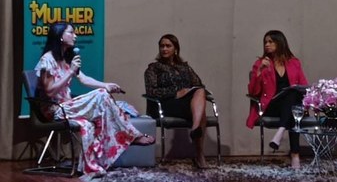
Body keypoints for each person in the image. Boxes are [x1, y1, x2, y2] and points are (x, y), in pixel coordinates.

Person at [34, 22, 154, 181]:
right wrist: (70, 72)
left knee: (91, 121)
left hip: (69, 106)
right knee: (102, 96)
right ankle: (130, 135)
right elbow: (49, 91)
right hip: (56, 109)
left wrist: (106, 84)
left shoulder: (67, 57)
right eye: (71, 32)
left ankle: (91, 167)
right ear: (60, 36)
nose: (75, 36)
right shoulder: (47, 59)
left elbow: (83, 78)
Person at [144, 34, 208, 169]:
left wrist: (187, 92)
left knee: (200, 92)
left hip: (184, 105)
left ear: (176, 49)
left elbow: (199, 84)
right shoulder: (154, 68)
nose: (164, 49)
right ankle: (199, 155)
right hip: (165, 104)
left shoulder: (185, 67)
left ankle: (195, 129)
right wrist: (176, 93)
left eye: (168, 46)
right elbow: (151, 91)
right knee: (200, 114)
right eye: (162, 46)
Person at [246, 30, 308, 169]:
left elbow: (303, 86)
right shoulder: (260, 63)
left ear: (280, 43)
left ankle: (281, 132)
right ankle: (295, 155)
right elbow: (253, 92)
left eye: (271, 42)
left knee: (292, 98)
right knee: (293, 105)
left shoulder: (294, 63)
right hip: (271, 106)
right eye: (265, 42)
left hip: (290, 107)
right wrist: (259, 72)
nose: (267, 45)